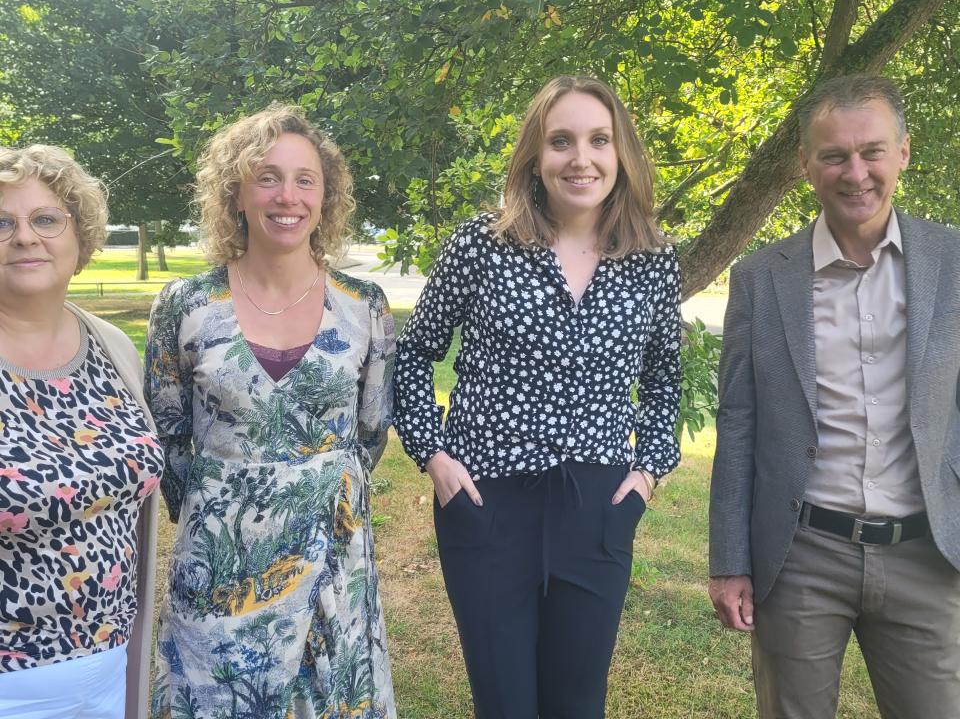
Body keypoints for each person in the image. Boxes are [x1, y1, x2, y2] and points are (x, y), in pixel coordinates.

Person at [394, 75, 681, 718]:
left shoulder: (653, 259)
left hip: (598, 507)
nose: (581, 158)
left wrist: (647, 474)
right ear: (535, 155)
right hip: (485, 501)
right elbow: (413, 353)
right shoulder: (482, 244)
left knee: (578, 705)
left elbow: (664, 376)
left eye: (598, 140)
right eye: (561, 141)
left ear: (621, 153)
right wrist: (434, 455)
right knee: (504, 704)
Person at [708, 74, 960, 717]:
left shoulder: (953, 261)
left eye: (872, 151)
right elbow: (739, 424)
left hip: (928, 557)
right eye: (834, 155)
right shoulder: (762, 279)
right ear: (805, 164)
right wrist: (731, 560)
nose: (856, 173)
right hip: (802, 556)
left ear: (903, 152)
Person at [144, 105, 397, 718]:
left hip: (334, 559)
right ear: (235, 191)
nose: (288, 196)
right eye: (267, 177)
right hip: (219, 570)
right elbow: (169, 437)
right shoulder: (186, 305)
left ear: (325, 196)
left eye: (305, 179)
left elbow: (369, 434)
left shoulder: (364, 307)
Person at [0, 144, 162, 719]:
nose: (25, 236)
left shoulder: (111, 348)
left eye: (46, 219)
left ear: (80, 237)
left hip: (112, 672)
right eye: (2, 222)